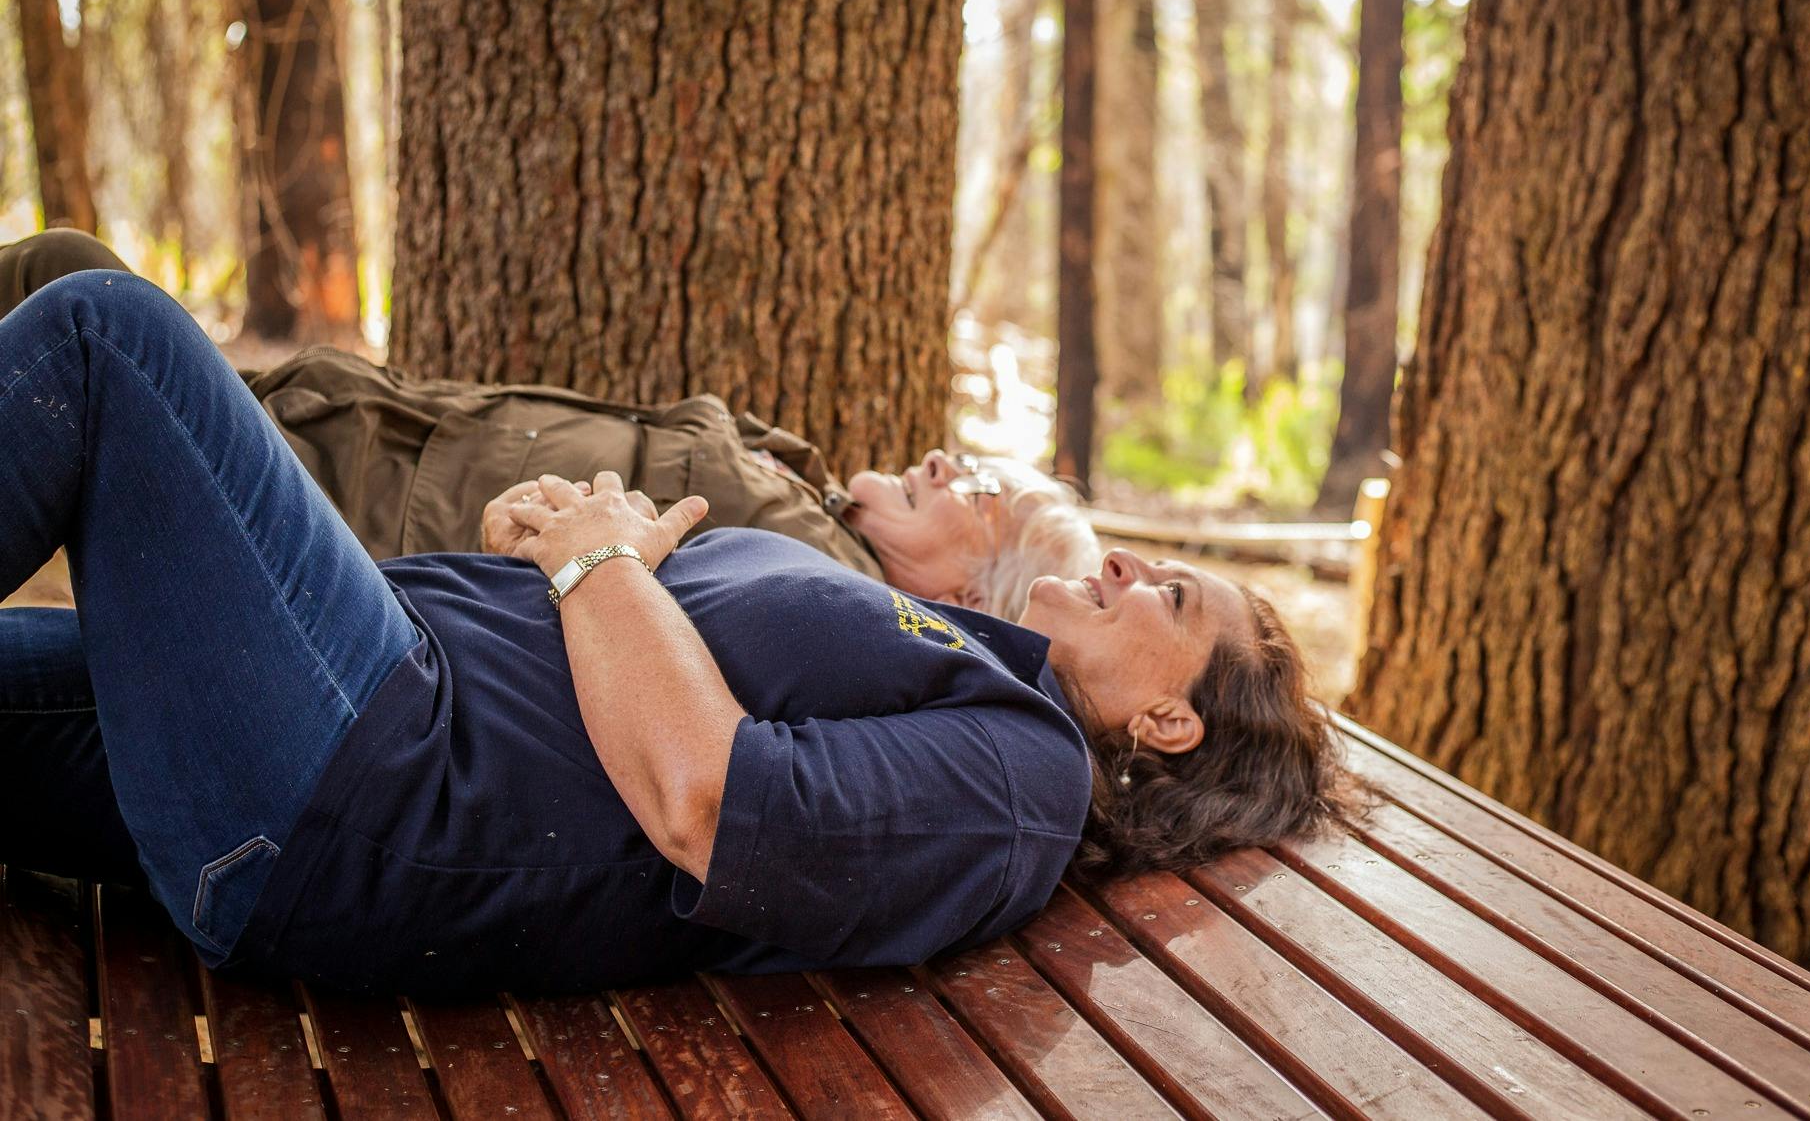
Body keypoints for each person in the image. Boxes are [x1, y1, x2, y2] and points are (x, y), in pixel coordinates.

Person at [0, 271, 1351, 997]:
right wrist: (611, 552)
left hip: (371, 790)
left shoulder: (1022, 787)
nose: (1127, 562)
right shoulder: (970, 661)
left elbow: (706, 800)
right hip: (354, 721)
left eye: (1170, 597)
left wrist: (597, 561)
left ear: (1168, 722)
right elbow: (673, 662)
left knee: (104, 336)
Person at [0, 229, 1099, 619]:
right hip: (328, 437)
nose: (952, 459)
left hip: (325, 530)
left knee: (79, 292)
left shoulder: (821, 583)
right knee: (68, 288)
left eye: (983, 493)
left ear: (965, 595)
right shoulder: (807, 508)